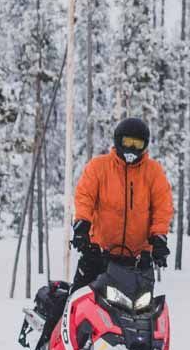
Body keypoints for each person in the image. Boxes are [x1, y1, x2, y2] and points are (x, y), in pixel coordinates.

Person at [69, 116, 175, 292]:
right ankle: (59, 318)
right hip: (99, 254)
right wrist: (82, 225)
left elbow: (162, 206)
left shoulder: (153, 171)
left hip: (137, 260)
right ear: (118, 141)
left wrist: (159, 238)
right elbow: (84, 196)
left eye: (137, 144)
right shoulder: (99, 167)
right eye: (127, 142)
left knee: (141, 313)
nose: (131, 148)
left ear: (145, 145)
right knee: (78, 299)